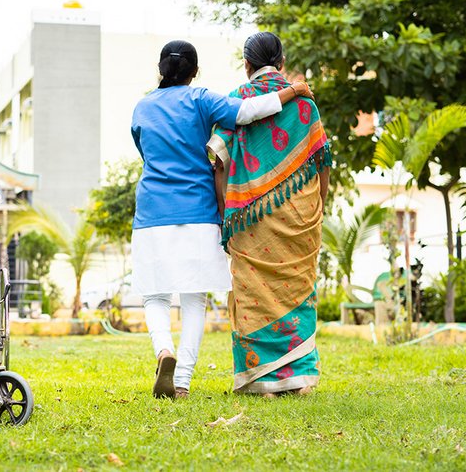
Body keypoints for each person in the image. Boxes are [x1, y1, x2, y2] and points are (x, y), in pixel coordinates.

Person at [131, 40, 313, 399]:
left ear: (161, 70)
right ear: (194, 72)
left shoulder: (142, 107)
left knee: (155, 296)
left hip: (152, 212)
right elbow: (248, 112)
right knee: (194, 299)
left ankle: (163, 351)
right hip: (198, 212)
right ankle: (181, 380)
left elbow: (143, 152)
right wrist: (293, 90)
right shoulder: (201, 99)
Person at [208, 31, 330, 397]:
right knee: (297, 290)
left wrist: (224, 212)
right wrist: (319, 202)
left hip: (250, 217)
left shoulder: (233, 103)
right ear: (282, 62)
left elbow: (218, 164)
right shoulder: (305, 104)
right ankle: (301, 378)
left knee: (254, 294)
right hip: (300, 214)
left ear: (246, 64)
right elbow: (321, 160)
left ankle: (258, 379)